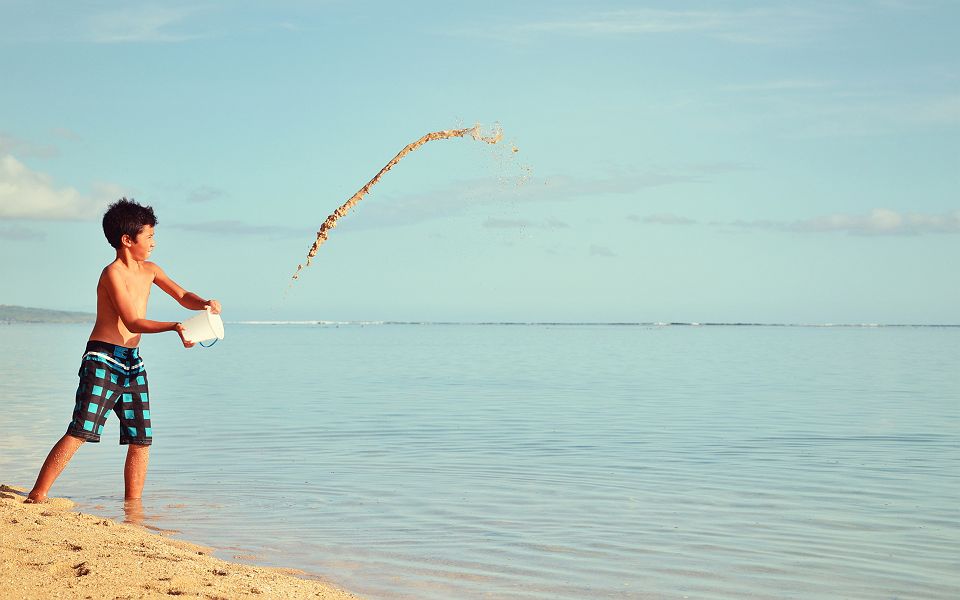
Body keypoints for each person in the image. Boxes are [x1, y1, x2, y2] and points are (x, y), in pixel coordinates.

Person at [25, 198, 221, 504]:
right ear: (127, 240)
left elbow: (182, 295)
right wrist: (174, 327)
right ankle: (37, 495)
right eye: (149, 237)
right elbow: (131, 320)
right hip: (103, 358)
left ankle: (133, 508)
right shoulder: (112, 274)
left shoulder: (150, 270)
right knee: (81, 430)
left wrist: (205, 303)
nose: (154, 243)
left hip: (132, 362)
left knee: (140, 438)